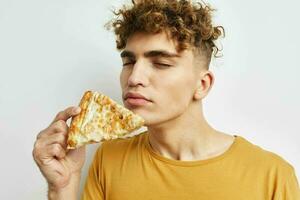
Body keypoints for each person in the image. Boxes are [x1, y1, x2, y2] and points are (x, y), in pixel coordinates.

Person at [32, 0, 300, 199]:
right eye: (129, 61)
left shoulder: (271, 176)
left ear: (202, 84)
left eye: (160, 63)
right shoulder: (109, 160)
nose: (134, 77)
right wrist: (62, 188)